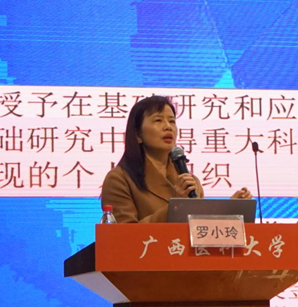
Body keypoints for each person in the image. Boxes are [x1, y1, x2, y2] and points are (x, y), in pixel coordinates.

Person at [101, 95, 251, 223]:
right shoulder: (119, 179)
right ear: (137, 134)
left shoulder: (190, 181)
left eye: (172, 121)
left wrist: (230, 210)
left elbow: (200, 230)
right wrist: (177, 205)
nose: (168, 127)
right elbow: (124, 236)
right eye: (158, 120)